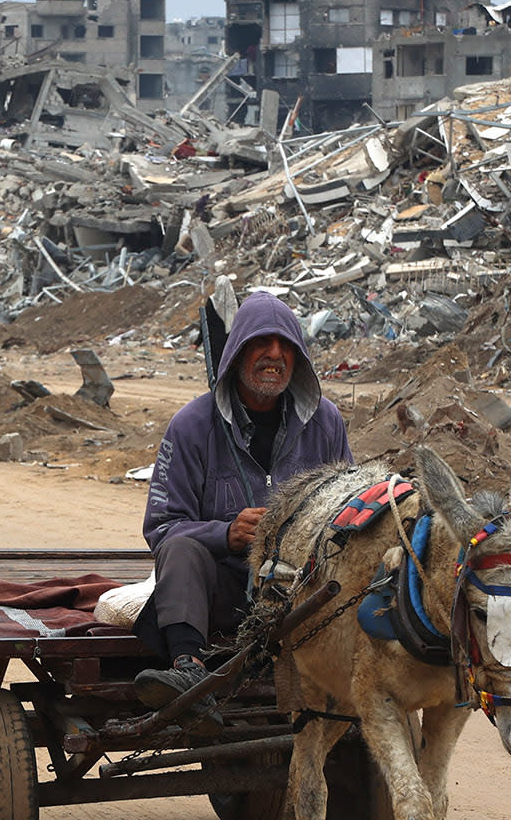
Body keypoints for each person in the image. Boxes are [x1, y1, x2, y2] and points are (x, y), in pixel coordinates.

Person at [132, 292, 353, 718]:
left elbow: (349, 509)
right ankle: (187, 669)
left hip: (301, 593)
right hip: (225, 592)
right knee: (179, 548)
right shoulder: (192, 426)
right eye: (261, 344)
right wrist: (226, 534)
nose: (274, 356)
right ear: (236, 354)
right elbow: (161, 527)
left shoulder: (325, 423)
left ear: (299, 357)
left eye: (285, 345)